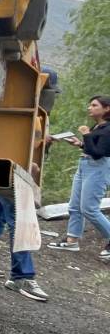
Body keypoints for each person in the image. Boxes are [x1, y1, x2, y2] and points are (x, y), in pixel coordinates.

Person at [46, 95, 110, 262]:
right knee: (74, 205)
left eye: (94, 105)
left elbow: (98, 154)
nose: (90, 108)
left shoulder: (108, 128)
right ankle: (71, 240)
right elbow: (93, 148)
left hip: (98, 168)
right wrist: (80, 144)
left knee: (89, 208)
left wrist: (86, 135)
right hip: (85, 165)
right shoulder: (99, 126)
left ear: (106, 109)